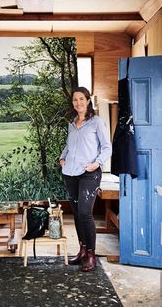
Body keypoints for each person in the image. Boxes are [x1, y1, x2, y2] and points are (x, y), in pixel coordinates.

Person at [59, 86, 112, 272]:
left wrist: (96, 163)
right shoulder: (72, 123)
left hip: (90, 173)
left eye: (82, 99)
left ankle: (91, 254)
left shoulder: (96, 122)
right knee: (76, 213)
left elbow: (107, 147)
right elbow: (69, 146)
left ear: (88, 101)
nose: (78, 103)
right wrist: (62, 157)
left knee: (85, 213)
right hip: (70, 174)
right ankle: (82, 250)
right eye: (75, 100)